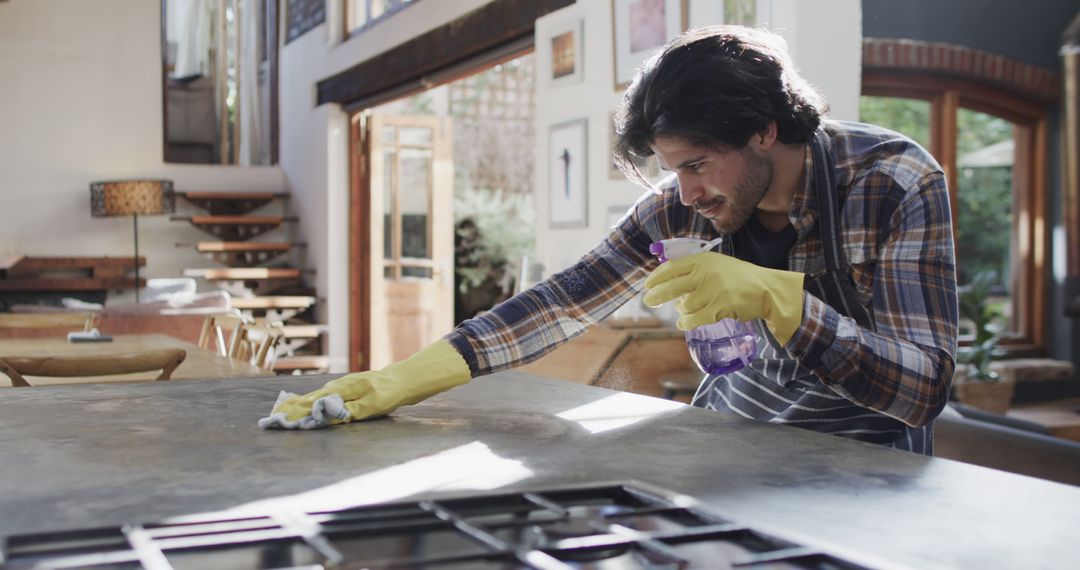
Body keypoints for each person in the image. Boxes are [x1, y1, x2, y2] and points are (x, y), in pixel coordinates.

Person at [261, 25, 958, 455]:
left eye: (696, 164)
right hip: (736, 449)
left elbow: (923, 390)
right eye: (670, 169)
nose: (683, 194)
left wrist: (787, 304)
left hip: (868, 463)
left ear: (764, 130)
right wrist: (399, 380)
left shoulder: (893, 182)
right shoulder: (685, 205)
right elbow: (562, 302)